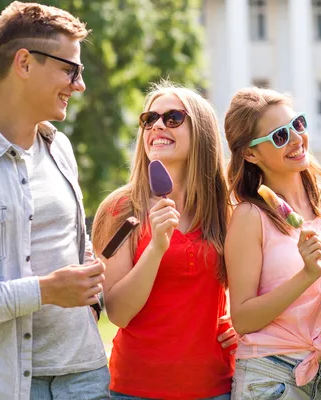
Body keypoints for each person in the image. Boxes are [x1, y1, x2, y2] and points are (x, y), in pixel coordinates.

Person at [0, 2, 110, 399]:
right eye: (71, 69)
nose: (79, 84)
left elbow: (73, 244)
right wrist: (45, 292)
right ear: (24, 63)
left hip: (86, 375)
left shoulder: (59, 146)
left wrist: (93, 296)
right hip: (10, 384)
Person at [91, 82, 235, 400]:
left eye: (172, 117)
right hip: (136, 388)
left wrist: (242, 324)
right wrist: (156, 247)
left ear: (201, 132)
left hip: (215, 388)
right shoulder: (121, 210)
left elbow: (253, 287)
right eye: (149, 118)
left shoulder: (225, 210)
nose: (157, 124)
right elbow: (118, 313)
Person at [223, 87, 321, 399]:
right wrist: (306, 276)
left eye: (298, 124)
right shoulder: (249, 216)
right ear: (250, 153)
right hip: (272, 376)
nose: (297, 139)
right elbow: (242, 319)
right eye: (280, 136)